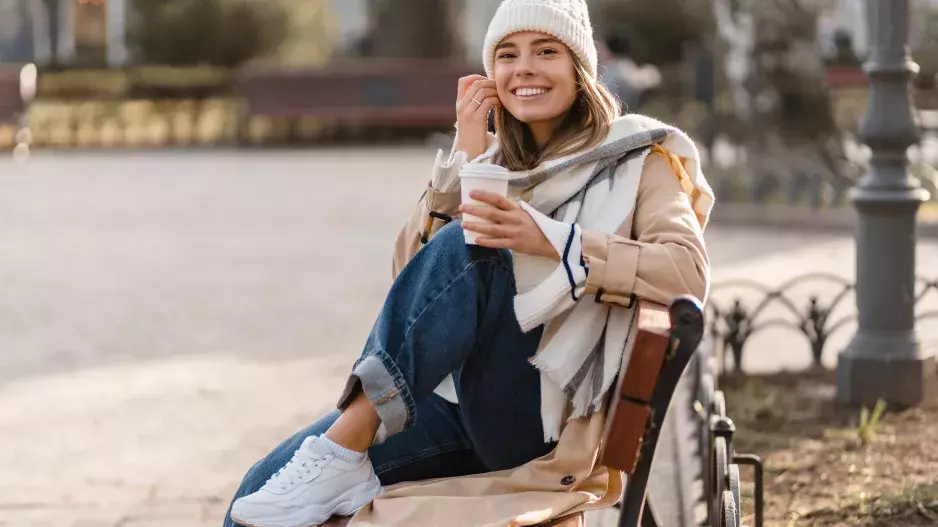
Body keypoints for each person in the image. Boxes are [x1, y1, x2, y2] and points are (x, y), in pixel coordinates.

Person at [225, 1, 713, 526]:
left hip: (538, 420)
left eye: (545, 51)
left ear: (580, 69)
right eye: (507, 54)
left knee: (471, 243)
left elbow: (687, 271)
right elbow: (412, 289)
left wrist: (557, 242)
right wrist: (466, 152)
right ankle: (339, 454)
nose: (523, 67)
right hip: (452, 406)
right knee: (260, 494)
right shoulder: (495, 165)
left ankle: (341, 451)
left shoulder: (639, 159)